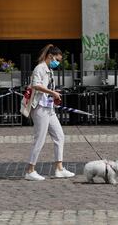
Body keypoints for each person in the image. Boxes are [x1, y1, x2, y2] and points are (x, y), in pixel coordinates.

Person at [25, 44, 75, 181]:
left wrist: (53, 93)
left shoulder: (49, 69)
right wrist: (52, 92)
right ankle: (30, 170)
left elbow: (46, 86)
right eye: (57, 60)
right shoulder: (39, 68)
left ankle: (59, 168)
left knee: (60, 136)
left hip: (49, 107)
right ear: (50, 56)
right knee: (39, 139)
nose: (57, 63)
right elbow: (36, 85)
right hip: (40, 108)